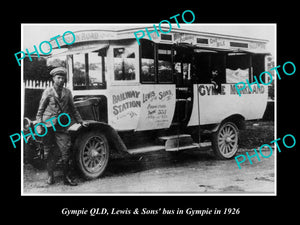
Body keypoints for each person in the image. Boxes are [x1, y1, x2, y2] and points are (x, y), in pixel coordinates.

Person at [36, 67, 88, 186]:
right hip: (48, 126)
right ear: (53, 79)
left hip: (61, 126)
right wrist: (39, 125)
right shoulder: (47, 92)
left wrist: (81, 121)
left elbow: (73, 109)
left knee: (66, 151)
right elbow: (40, 111)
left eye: (62, 77)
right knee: (48, 151)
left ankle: (66, 178)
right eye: (58, 77)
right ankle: (50, 177)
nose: (60, 80)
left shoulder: (67, 92)